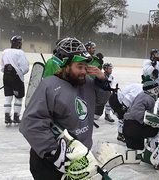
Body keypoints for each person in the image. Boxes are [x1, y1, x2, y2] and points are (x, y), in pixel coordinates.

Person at [19, 37, 107, 180]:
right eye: (79, 67)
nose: (84, 71)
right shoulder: (49, 86)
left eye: (85, 66)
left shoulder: (88, 83)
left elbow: (101, 102)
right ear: (65, 65)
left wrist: (102, 81)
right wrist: (54, 152)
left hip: (80, 159)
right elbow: (31, 123)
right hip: (49, 164)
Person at [123, 80, 159, 151]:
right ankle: (152, 152)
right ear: (153, 90)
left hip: (128, 127)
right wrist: (151, 122)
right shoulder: (148, 98)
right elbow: (136, 113)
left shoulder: (142, 95)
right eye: (156, 89)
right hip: (134, 127)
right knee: (157, 131)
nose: (158, 91)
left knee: (135, 151)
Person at [1, 35, 29, 125]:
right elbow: (25, 68)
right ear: (19, 43)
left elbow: (2, 67)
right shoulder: (20, 53)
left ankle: (7, 117)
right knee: (18, 98)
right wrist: (20, 73)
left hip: (6, 77)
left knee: (8, 97)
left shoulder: (5, 52)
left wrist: (8, 75)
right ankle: (16, 117)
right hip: (17, 78)